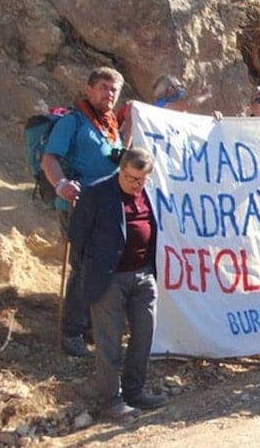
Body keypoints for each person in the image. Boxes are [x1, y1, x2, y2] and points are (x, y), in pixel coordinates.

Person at [67, 147, 166, 419]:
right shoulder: (97, 193)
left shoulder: (148, 193)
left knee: (144, 333)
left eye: (140, 180)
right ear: (120, 170)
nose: (135, 184)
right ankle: (110, 401)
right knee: (109, 341)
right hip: (109, 278)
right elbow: (77, 236)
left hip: (144, 275)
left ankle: (135, 391)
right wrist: (95, 267)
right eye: (130, 178)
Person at [42, 66, 127, 358]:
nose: (109, 93)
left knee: (105, 266)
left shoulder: (110, 125)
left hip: (108, 207)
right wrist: (61, 184)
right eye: (103, 87)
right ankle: (72, 332)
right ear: (88, 90)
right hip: (78, 205)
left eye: (114, 89)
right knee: (83, 267)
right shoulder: (73, 121)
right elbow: (50, 158)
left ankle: (92, 326)